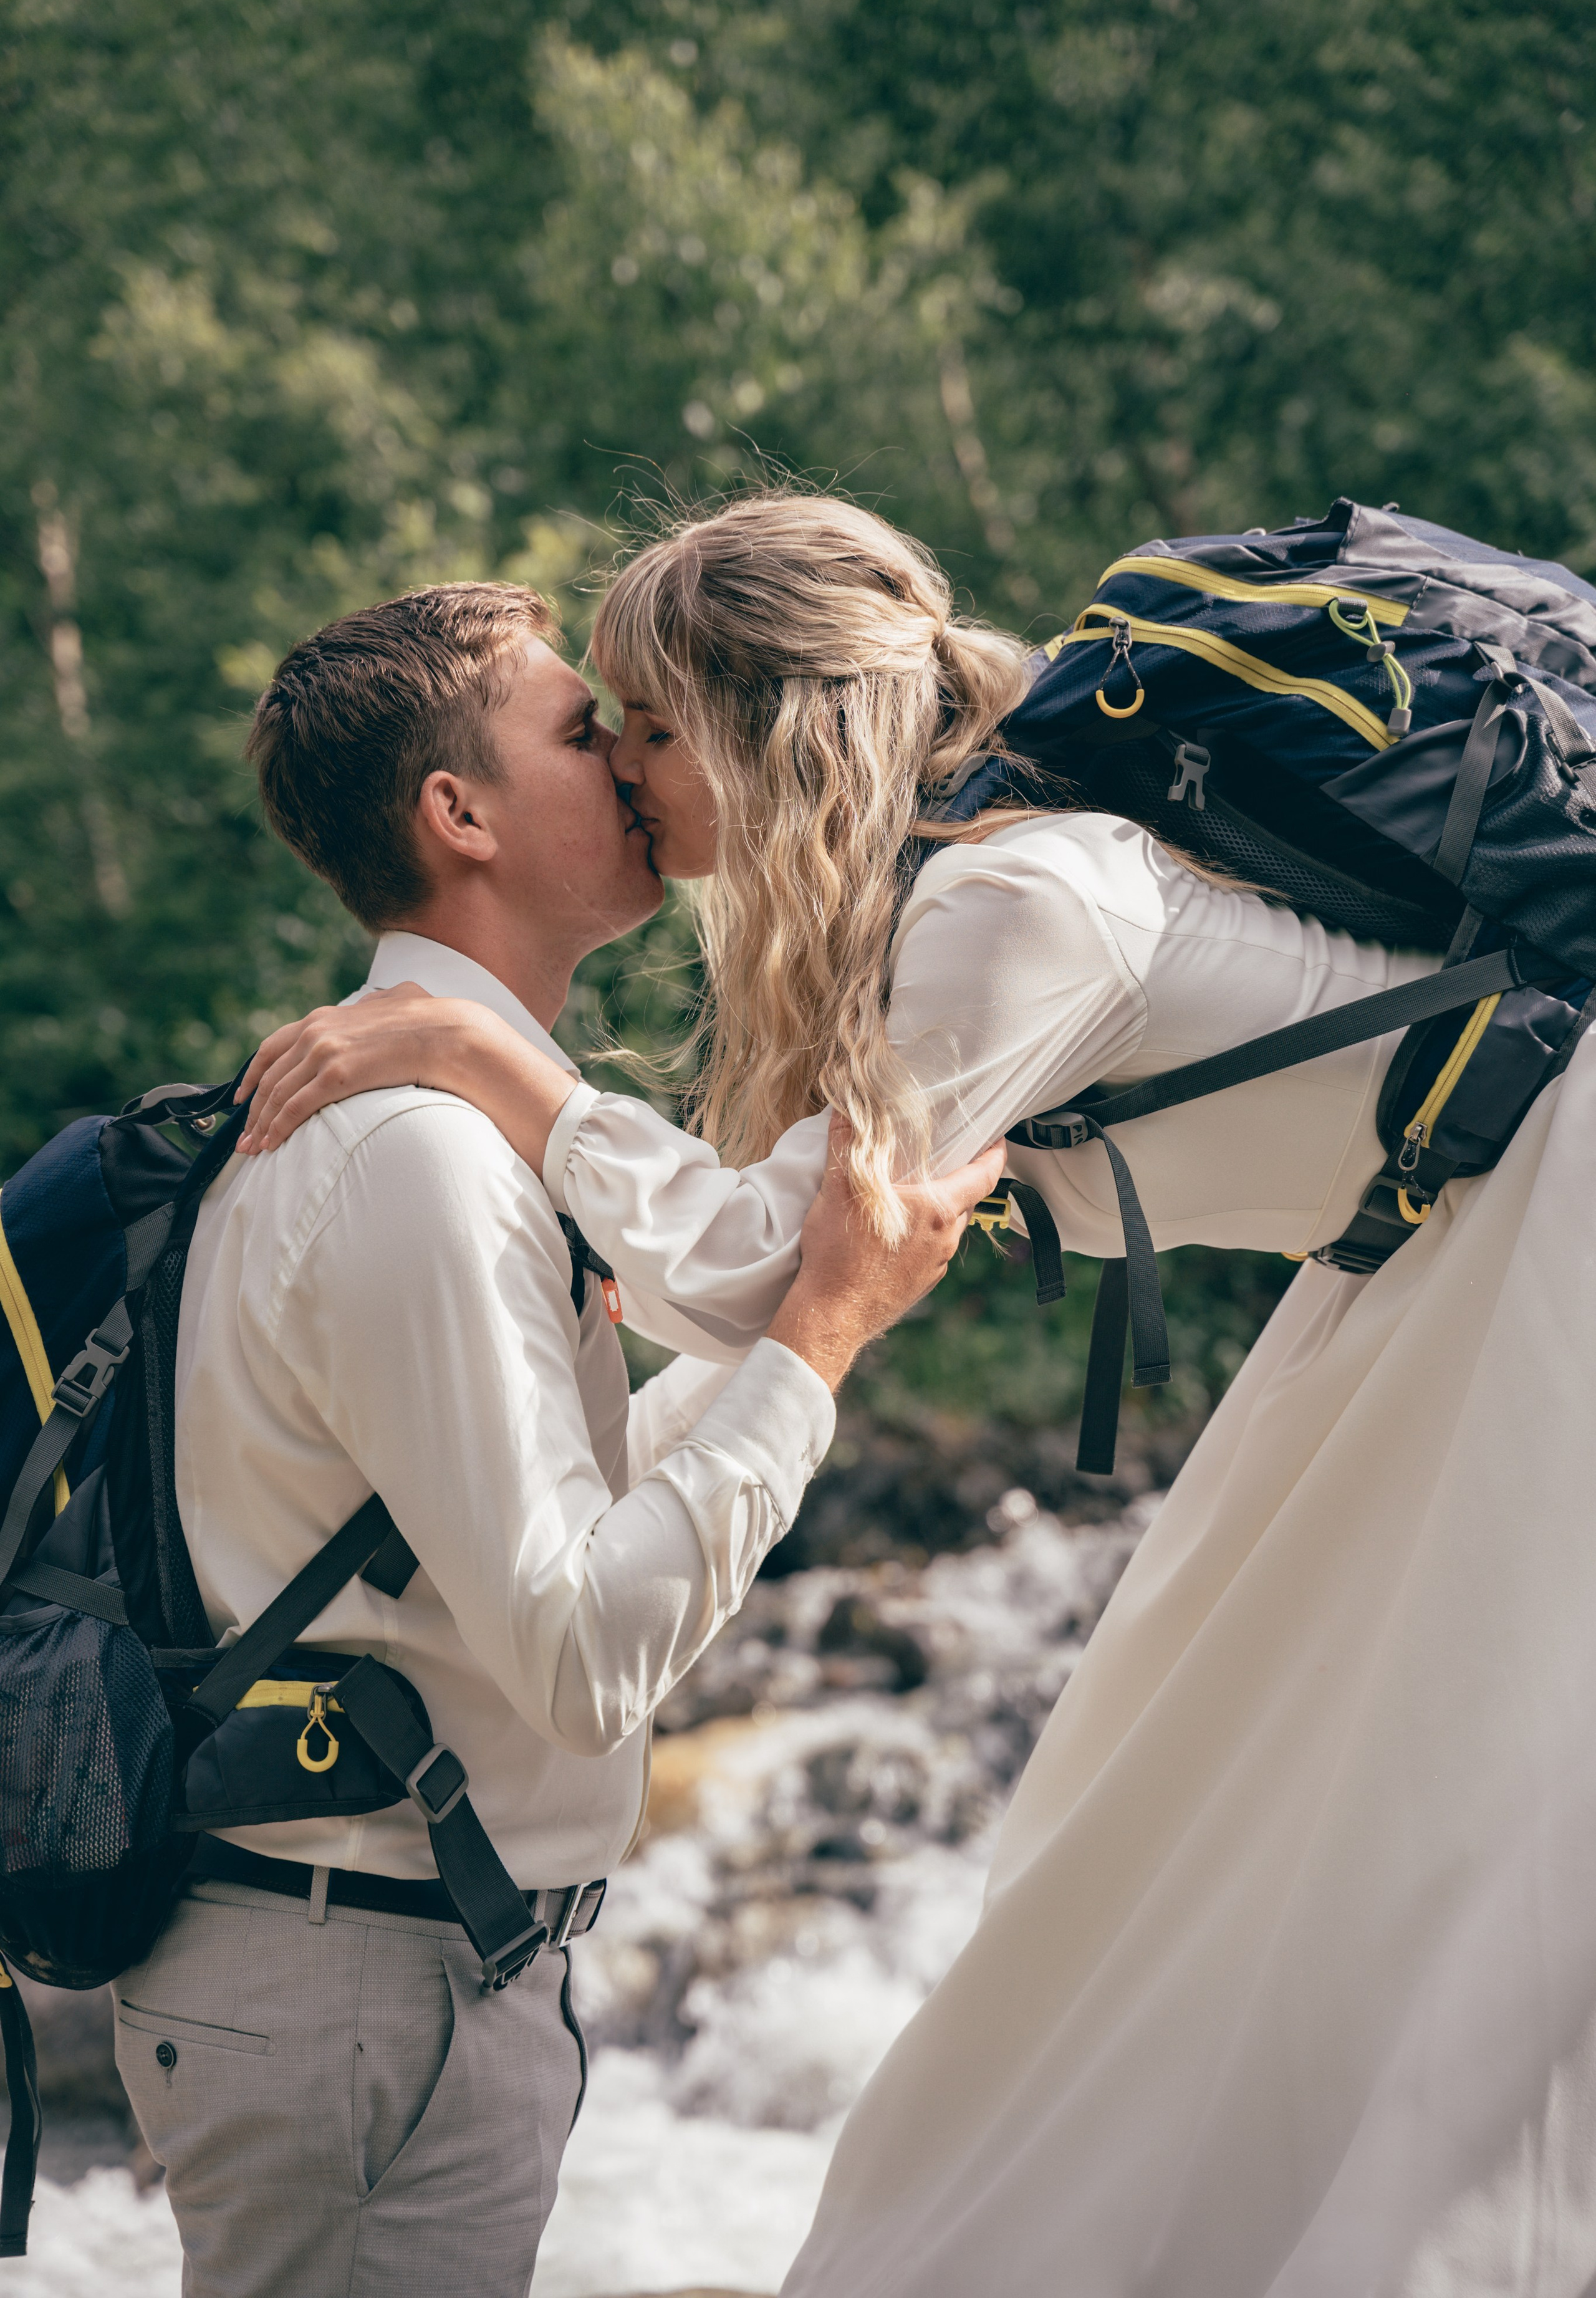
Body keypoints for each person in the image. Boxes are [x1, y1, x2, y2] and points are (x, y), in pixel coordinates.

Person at [239, 498, 1596, 2297]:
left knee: (1446, 1817)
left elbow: (750, 1267)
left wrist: (499, 1065)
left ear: (760, 727)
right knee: (1164, 1785)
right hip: (1438, 1249)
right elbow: (762, 1300)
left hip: (1538, 1223)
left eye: (643, 724)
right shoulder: (976, 858)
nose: (631, 774)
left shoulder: (1020, 893)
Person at [122, 577, 1002, 2298]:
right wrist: (807, 1347)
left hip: (381, 1961)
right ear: (458, 815)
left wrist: (829, 1334)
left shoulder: (451, 1126)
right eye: (574, 726)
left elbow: (549, 1516)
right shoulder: (418, 1163)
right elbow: (585, 1650)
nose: (624, 757)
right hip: (366, 1982)